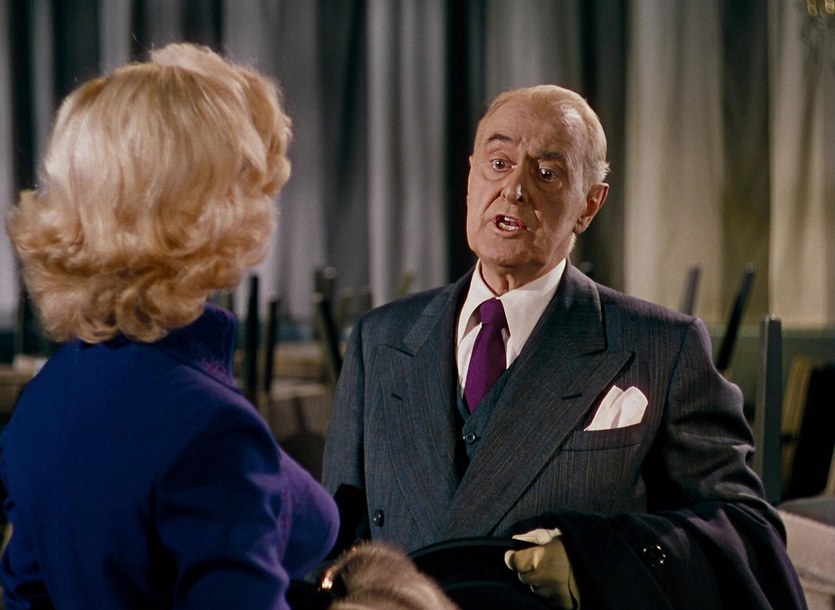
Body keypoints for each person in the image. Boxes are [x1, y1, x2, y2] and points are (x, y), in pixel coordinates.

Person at [322, 84, 806, 608]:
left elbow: (746, 531)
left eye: (547, 173)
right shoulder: (381, 340)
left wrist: (594, 559)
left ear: (589, 205)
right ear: (470, 177)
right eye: (499, 163)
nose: (514, 189)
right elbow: (332, 543)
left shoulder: (661, 348)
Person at [1, 43, 338, 609]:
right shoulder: (209, 426)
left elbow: (26, 596)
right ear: (212, 207)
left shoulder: (46, 397)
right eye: (247, 181)